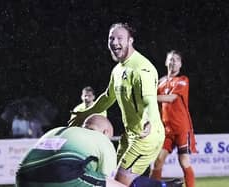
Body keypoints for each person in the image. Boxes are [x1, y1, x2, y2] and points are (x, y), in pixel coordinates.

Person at [69, 23, 182, 187]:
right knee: (111, 179)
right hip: (130, 136)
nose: (114, 42)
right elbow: (107, 98)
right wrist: (85, 113)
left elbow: (149, 100)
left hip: (146, 136)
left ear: (130, 41)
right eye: (111, 38)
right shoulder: (117, 70)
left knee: (118, 184)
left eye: (119, 38)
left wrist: (148, 120)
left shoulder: (142, 68)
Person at [15, 114, 126, 187]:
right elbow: (107, 179)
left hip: (22, 176)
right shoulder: (103, 139)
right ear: (106, 132)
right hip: (63, 174)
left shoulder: (59, 129)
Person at [150, 50, 197, 187]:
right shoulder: (160, 83)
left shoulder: (183, 80)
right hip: (165, 130)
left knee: (184, 161)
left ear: (180, 64)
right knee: (158, 161)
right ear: (166, 62)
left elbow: (171, 98)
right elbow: (153, 106)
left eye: (176, 60)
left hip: (182, 128)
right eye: (170, 59)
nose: (173, 62)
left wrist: (148, 97)